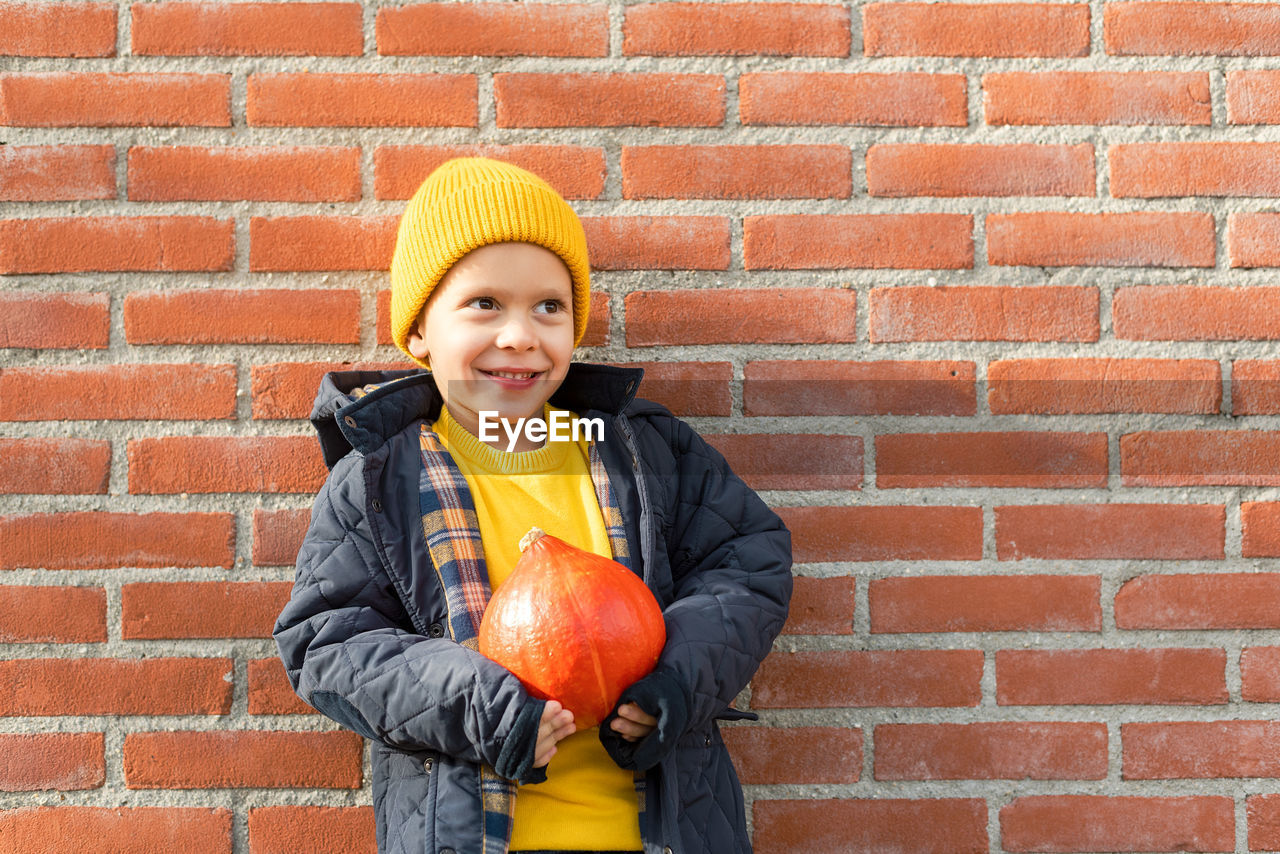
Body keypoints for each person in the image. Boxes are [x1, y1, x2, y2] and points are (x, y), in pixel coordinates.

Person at [274, 157, 793, 854]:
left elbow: (747, 565)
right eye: (485, 304)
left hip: (664, 833)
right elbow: (327, 642)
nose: (520, 335)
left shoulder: (641, 450)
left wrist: (678, 681)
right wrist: (484, 709)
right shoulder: (379, 480)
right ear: (420, 331)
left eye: (549, 306)